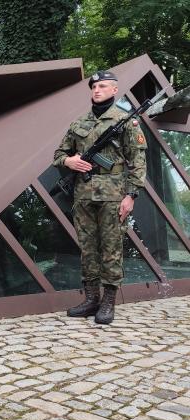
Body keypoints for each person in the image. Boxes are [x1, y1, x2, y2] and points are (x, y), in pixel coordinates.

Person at [53, 71, 147, 325]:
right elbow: (59, 154)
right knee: (87, 248)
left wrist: (131, 195)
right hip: (83, 194)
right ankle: (91, 299)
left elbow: (138, 163)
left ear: (115, 90)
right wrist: (69, 161)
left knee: (111, 248)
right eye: (94, 86)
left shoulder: (126, 121)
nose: (97, 89)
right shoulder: (79, 123)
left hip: (113, 196)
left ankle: (108, 302)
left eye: (103, 86)